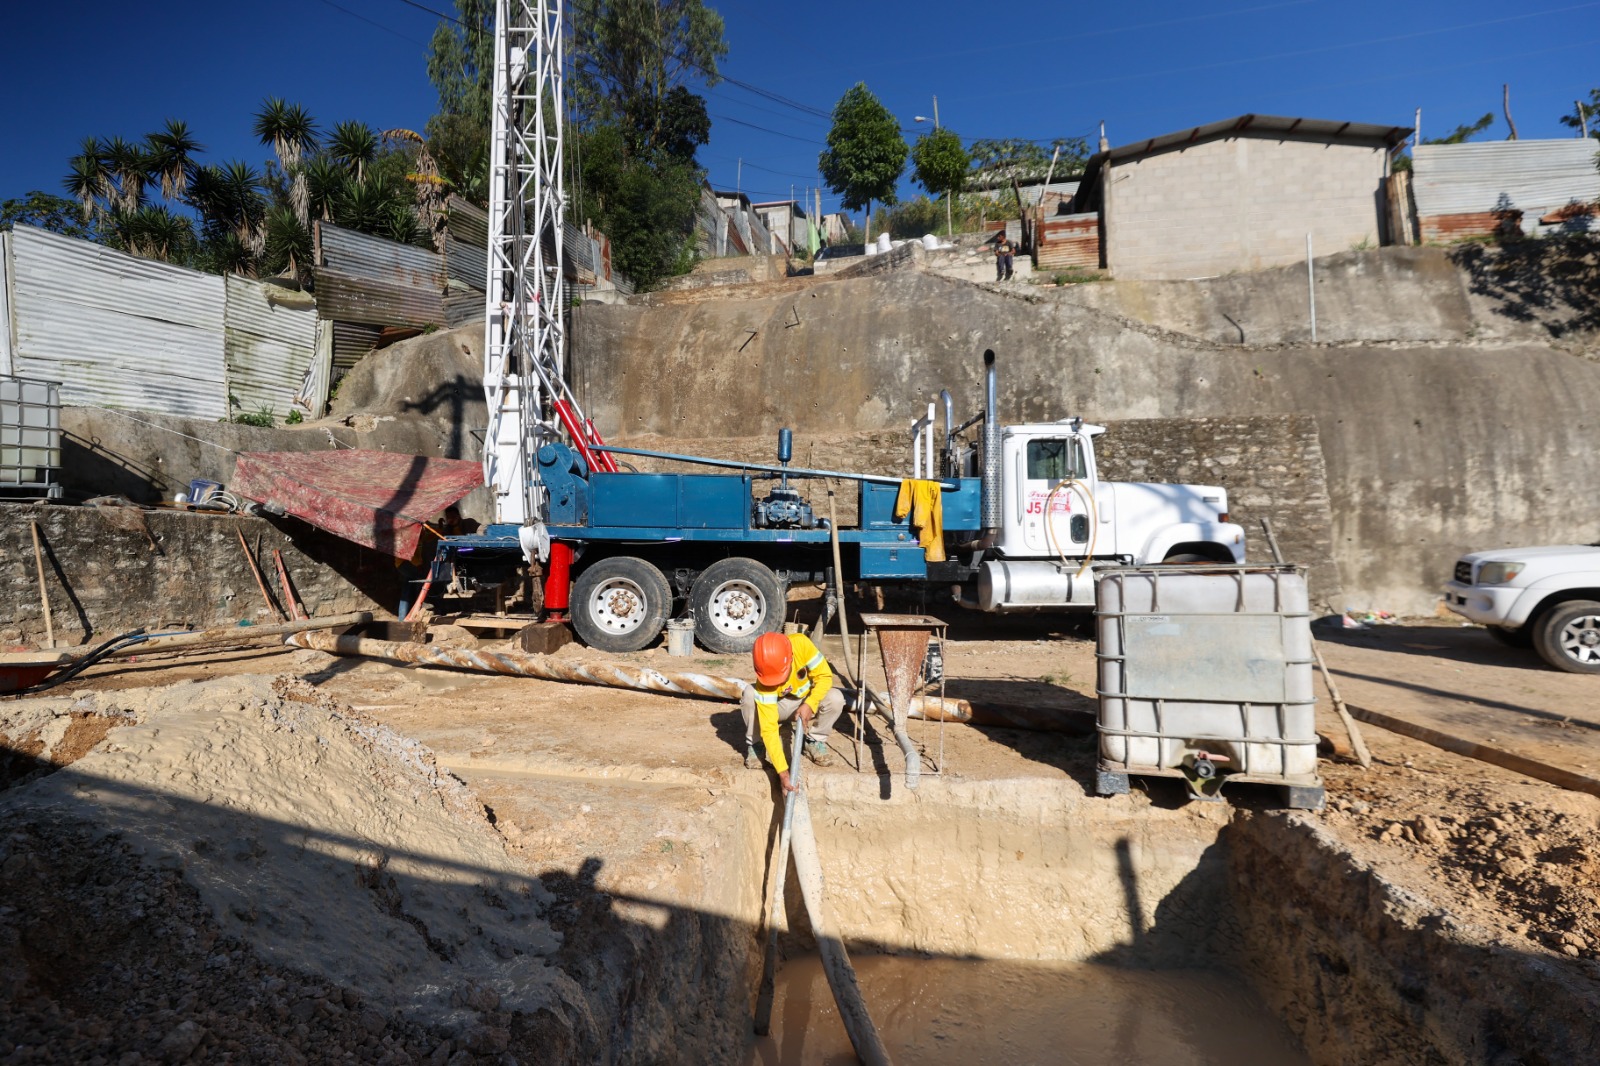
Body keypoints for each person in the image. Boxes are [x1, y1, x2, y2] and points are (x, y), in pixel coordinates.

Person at [741, 631, 845, 789]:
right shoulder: (765, 678)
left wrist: (810, 703)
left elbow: (824, 676)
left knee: (836, 698)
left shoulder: (801, 645)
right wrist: (783, 772)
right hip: (780, 706)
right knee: (749, 694)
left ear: (790, 658)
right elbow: (769, 728)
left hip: (806, 701)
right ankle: (756, 745)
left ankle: (814, 741)